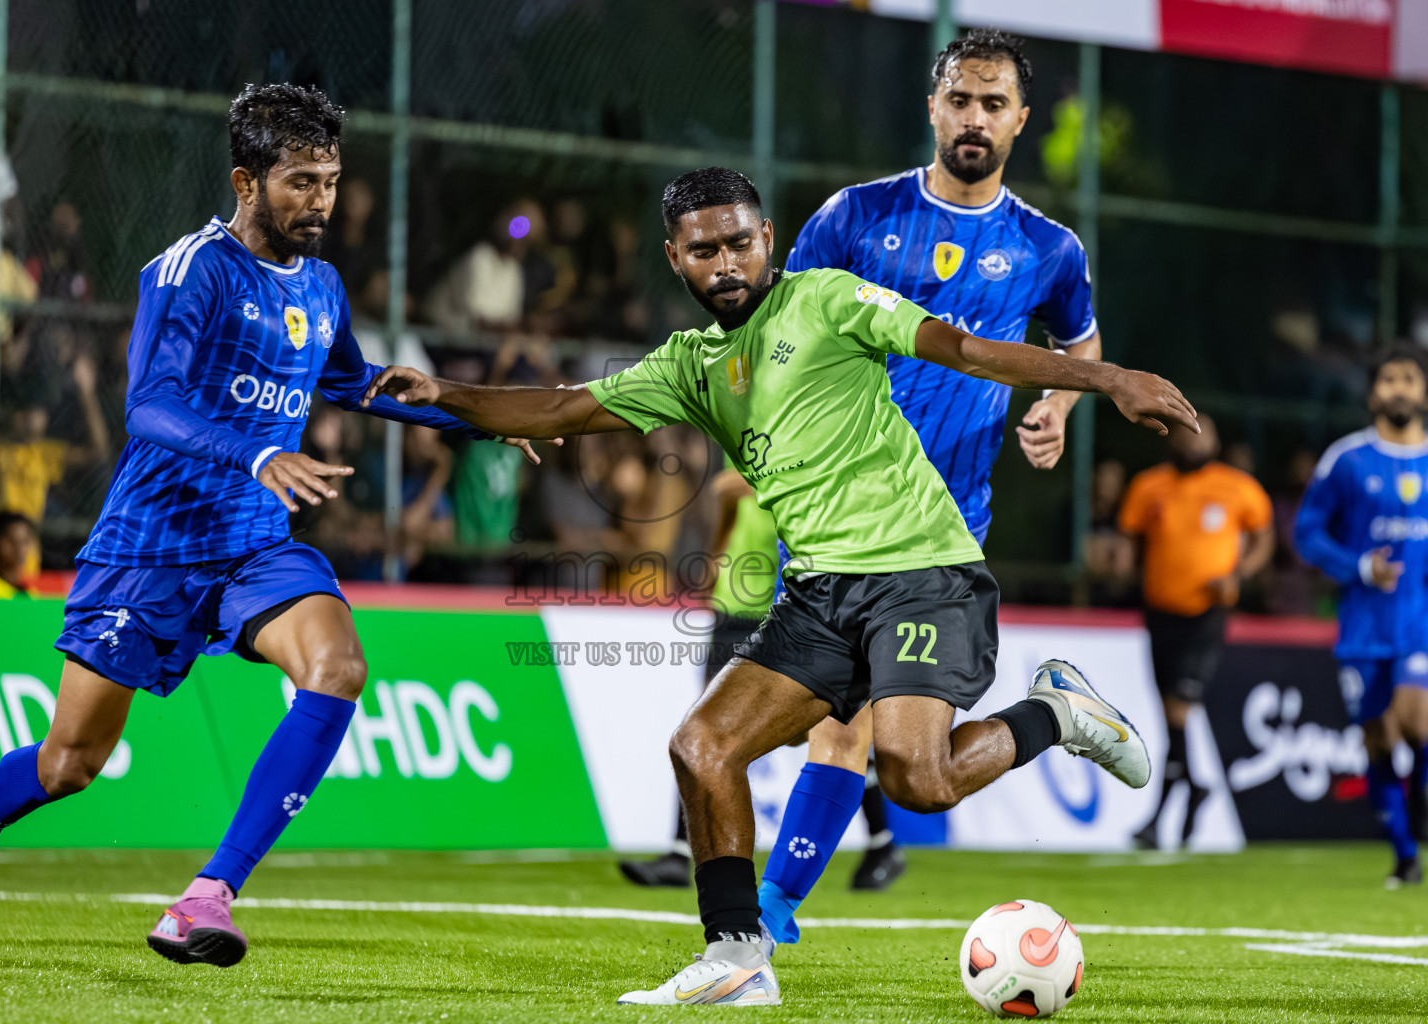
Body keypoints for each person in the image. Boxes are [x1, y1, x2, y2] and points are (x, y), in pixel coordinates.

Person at [365, 166, 1196, 1006]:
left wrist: (1105, 377)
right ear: (675, 260)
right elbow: (560, 409)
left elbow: (965, 349)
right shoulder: (689, 366)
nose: (724, 261)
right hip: (820, 595)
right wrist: (443, 395)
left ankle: (1057, 714)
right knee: (702, 747)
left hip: (921, 573)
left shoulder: (828, 299)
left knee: (918, 778)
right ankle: (737, 957)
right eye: (702, 250)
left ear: (767, 240)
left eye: (737, 242)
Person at [0, 83, 540, 969]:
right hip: (151, 547)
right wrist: (253, 454)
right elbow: (149, 406)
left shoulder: (322, 286)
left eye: (329, 180)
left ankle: (209, 895)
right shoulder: (189, 269)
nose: (320, 201)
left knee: (340, 668)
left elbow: (355, 383)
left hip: (252, 545)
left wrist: (476, 418)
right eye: (300, 183)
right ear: (247, 180)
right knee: (69, 765)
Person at [754, 28, 1107, 940]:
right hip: (833, 511)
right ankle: (767, 916)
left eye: (994, 104)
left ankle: (767, 915)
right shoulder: (852, 218)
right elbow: (785, 340)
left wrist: (1058, 413)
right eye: (961, 99)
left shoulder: (1046, 248)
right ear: (933, 107)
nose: (975, 118)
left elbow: (1080, 345)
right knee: (839, 729)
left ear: (1021, 121)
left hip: (942, 528)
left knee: (864, 736)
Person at [1294, 346, 1428, 888]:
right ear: (1374, 392)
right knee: (1378, 737)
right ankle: (1404, 855)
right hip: (1362, 626)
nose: (1399, 389)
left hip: (1418, 620)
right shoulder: (1346, 459)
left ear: (1422, 391)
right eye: (1389, 379)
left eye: (1410, 379)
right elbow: (1307, 533)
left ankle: (1418, 797)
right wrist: (1358, 567)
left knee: (1417, 722)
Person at [1118, 415, 1273, 849]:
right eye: (1185, 432)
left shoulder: (1237, 488)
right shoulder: (1148, 486)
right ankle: (1194, 789)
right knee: (1171, 720)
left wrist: (1239, 574)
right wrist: (1119, 567)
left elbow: (1264, 538)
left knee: (1179, 714)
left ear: (1217, 441)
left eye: (1202, 433)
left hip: (1206, 614)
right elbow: (1130, 542)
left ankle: (1160, 816)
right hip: (1160, 612)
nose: (1192, 442)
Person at [618, 467, 778, 887]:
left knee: (831, 733)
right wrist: (718, 551)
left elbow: (728, 485)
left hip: (780, 608)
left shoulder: (797, 444)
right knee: (703, 731)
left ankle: (880, 843)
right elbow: (728, 494)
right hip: (732, 606)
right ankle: (680, 850)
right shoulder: (756, 438)